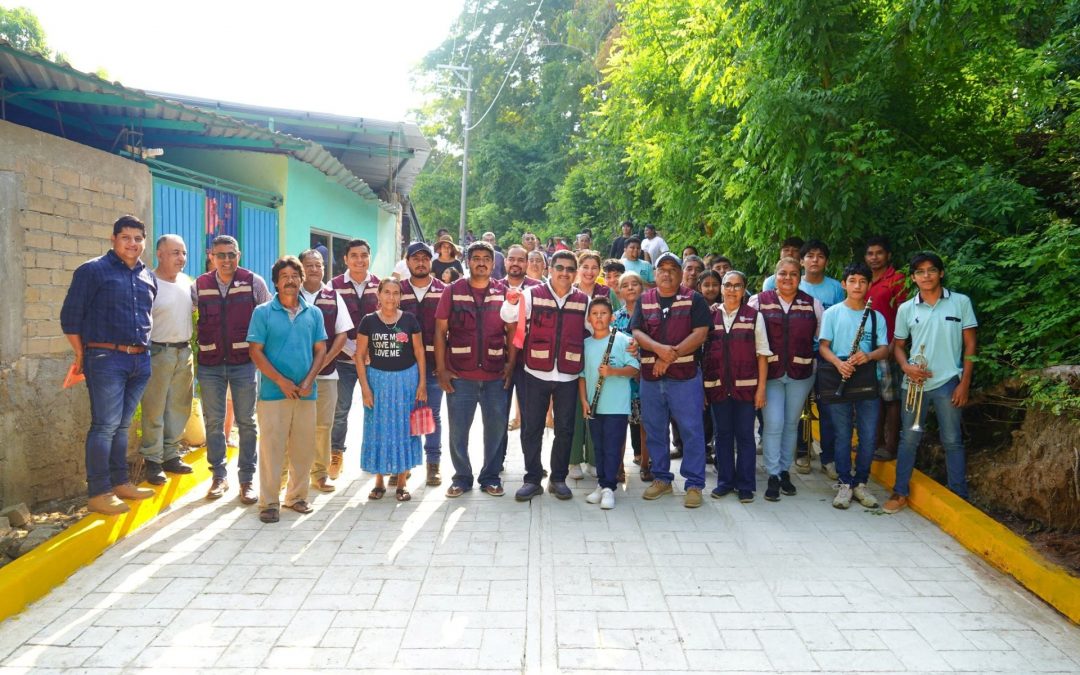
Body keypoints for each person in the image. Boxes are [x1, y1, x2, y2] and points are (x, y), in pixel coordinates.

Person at [60, 215, 158, 515]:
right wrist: (80, 354)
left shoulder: (146, 275)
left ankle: (120, 482)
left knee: (122, 425)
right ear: (113, 239)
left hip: (140, 360)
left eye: (138, 238)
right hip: (105, 358)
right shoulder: (92, 271)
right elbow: (70, 318)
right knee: (104, 426)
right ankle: (98, 492)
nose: (133, 243)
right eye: (126, 237)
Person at [884, 253, 978, 513]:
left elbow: (970, 344)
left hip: (949, 381)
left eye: (931, 270)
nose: (926, 276)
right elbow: (899, 346)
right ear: (913, 277)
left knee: (952, 440)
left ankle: (959, 495)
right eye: (920, 272)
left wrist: (964, 382)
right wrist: (905, 367)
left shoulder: (960, 302)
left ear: (941, 273)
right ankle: (899, 492)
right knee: (909, 439)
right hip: (914, 383)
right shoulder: (906, 308)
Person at [503, 250, 590, 501]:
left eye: (569, 269)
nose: (564, 273)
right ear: (549, 269)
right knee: (532, 428)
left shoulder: (583, 300)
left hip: (569, 375)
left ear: (574, 273)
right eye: (559, 267)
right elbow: (508, 317)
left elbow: (594, 332)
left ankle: (558, 479)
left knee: (564, 428)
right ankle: (532, 479)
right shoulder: (531, 294)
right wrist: (511, 301)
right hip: (535, 371)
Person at [193, 234, 272, 504]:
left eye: (231, 254)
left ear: (239, 255)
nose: (226, 260)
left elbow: (269, 316)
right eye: (220, 255)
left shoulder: (253, 282)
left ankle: (247, 480)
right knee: (213, 422)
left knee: (247, 422)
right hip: (210, 364)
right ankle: (218, 476)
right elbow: (187, 317)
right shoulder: (200, 285)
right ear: (211, 257)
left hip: (243, 364)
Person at [247, 256, 327, 523]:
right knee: (272, 450)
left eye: (295, 276)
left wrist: (308, 381)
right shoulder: (263, 313)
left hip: (306, 393)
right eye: (284, 277)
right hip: (273, 394)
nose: (290, 281)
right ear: (276, 283)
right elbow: (255, 352)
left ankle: (297, 497)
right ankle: (269, 502)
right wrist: (281, 381)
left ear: (301, 280)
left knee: (303, 448)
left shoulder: (313, 313)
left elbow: (321, 349)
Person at [631, 252, 711, 508]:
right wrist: (658, 349)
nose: (667, 273)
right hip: (651, 379)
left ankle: (695, 484)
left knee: (691, 430)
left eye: (672, 269)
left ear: (680, 273)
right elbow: (637, 331)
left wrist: (670, 355)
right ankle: (662, 479)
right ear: (654, 274)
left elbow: (700, 334)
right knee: (654, 430)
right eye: (662, 269)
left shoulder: (694, 299)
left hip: (685, 378)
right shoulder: (644, 300)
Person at [434, 241, 512, 497]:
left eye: (486, 258)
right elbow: (440, 331)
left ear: (493, 263)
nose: (481, 262)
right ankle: (461, 478)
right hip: (461, 376)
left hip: (495, 375)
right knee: (458, 430)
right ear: (468, 262)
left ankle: (490, 477)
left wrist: (510, 365)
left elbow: (512, 332)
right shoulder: (453, 291)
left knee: (496, 429)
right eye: (476, 258)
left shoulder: (504, 292)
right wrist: (442, 369)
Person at [749, 257, 823, 502]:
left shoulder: (813, 304)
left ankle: (784, 471)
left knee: (791, 423)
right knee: (773, 423)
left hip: (801, 374)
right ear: (774, 276)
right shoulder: (759, 301)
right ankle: (771, 473)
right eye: (783, 273)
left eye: (793, 274)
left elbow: (822, 339)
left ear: (800, 276)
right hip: (769, 374)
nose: (787, 278)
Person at [818, 262, 889, 509]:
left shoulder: (876, 316)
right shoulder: (832, 313)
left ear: (869, 285)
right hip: (841, 374)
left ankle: (861, 483)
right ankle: (845, 484)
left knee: (868, 435)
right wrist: (840, 363)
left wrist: (868, 356)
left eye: (862, 281)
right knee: (843, 434)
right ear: (844, 284)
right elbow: (824, 346)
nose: (857, 286)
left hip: (867, 379)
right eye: (852, 281)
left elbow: (884, 349)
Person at [356, 279, 427, 502]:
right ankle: (378, 481)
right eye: (386, 292)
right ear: (378, 295)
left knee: (404, 428)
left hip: (406, 380)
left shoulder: (409, 320)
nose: (391, 297)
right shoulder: (368, 321)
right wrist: (365, 388)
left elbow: (419, 351)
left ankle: (402, 482)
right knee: (377, 427)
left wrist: (422, 383)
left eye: (396, 293)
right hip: (377, 381)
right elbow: (359, 355)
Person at [703, 271, 769, 503]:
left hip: (746, 389)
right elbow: (703, 354)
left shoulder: (754, 316)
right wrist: (703, 389)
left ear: (744, 289)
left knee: (745, 437)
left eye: (737, 286)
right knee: (722, 436)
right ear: (721, 288)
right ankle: (725, 482)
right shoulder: (710, 316)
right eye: (727, 285)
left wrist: (761, 389)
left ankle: (745, 485)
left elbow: (762, 354)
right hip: (717, 387)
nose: (732, 290)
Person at [139, 234, 195, 486]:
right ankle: (152, 460)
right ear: (159, 254)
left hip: (184, 352)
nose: (181, 258)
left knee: (179, 406)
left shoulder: (186, 282)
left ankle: (171, 454)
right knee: (155, 408)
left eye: (183, 253)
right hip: (157, 353)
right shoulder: (147, 281)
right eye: (175, 253)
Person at [298, 249, 352, 493]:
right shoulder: (290, 295)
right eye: (309, 265)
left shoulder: (333, 296)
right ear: (301, 268)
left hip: (327, 374)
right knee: (294, 426)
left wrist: (326, 360)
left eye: (318, 265)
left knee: (323, 426)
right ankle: (290, 474)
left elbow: (342, 334)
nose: (314, 269)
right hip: (294, 375)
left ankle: (319, 473)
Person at [793, 239, 846, 478]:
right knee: (799, 405)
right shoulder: (793, 282)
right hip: (798, 352)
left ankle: (829, 458)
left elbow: (840, 319)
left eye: (820, 256)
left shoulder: (835, 288)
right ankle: (802, 452)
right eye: (810, 255)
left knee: (827, 406)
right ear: (801, 260)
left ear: (826, 261)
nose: (815, 260)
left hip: (826, 354)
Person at [580, 297, 639, 510]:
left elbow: (634, 369)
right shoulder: (585, 344)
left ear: (611, 317)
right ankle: (603, 484)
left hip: (616, 405)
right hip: (594, 406)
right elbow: (582, 376)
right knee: (599, 447)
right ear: (588, 318)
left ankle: (609, 488)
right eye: (594, 314)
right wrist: (584, 400)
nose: (599, 317)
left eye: (603, 313)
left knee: (613, 447)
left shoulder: (622, 340)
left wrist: (613, 371)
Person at [329, 238, 380, 480]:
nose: (359, 260)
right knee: (340, 410)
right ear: (345, 259)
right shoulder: (334, 286)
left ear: (369, 257)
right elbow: (332, 324)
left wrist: (370, 352)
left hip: (376, 362)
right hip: (344, 361)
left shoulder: (380, 285)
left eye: (364, 255)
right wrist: (353, 350)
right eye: (354, 256)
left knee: (377, 409)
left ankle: (377, 456)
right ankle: (336, 453)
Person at [398, 242, 448, 487]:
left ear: (431, 262)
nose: (420, 263)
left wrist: (444, 364)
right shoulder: (397, 290)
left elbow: (450, 329)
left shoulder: (443, 290)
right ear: (407, 262)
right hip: (402, 365)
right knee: (404, 413)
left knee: (433, 414)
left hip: (433, 363)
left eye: (425, 259)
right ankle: (404, 465)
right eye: (415, 258)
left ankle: (433, 464)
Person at [495, 244, 540, 466]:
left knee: (531, 417)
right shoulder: (494, 288)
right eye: (511, 259)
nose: (515, 263)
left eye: (520, 260)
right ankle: (496, 462)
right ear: (505, 262)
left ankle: (532, 464)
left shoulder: (538, 289)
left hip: (530, 362)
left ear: (527, 263)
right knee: (498, 415)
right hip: (498, 362)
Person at [864, 235, 908, 462]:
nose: (874, 257)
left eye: (879, 253)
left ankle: (891, 446)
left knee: (891, 399)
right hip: (867, 350)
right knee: (874, 397)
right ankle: (876, 443)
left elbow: (904, 314)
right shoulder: (865, 281)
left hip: (889, 346)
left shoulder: (897, 279)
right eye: (870, 254)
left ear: (888, 255)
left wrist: (895, 345)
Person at [568, 250, 611, 479]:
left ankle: (595, 459)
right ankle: (573, 460)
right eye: (585, 267)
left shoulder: (606, 292)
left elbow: (617, 320)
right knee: (575, 408)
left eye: (594, 267)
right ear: (578, 269)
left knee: (596, 405)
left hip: (599, 355)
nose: (589, 272)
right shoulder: (570, 293)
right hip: (573, 354)